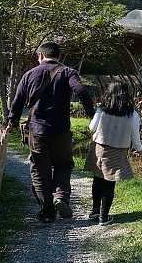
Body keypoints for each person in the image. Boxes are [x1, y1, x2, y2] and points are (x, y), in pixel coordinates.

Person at [5, 42, 95, 223]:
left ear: (40, 56)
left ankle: (47, 213)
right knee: (63, 164)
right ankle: (60, 197)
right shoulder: (68, 72)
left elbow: (17, 101)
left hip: (37, 131)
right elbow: (81, 91)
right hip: (61, 131)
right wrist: (92, 114)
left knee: (40, 170)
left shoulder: (29, 74)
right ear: (59, 56)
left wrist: (12, 122)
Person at [86, 80, 142, 224]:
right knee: (109, 183)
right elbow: (135, 138)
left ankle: (95, 211)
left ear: (109, 93)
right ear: (125, 95)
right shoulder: (132, 114)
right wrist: (140, 150)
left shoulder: (102, 109)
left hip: (99, 148)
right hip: (116, 152)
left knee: (97, 179)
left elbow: (92, 128)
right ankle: (104, 217)